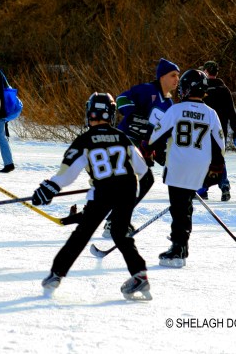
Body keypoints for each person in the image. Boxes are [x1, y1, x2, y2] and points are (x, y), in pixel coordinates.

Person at [33, 93, 152, 300]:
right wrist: (126, 189)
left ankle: (56, 274)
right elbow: (144, 173)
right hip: (127, 188)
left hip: (103, 191)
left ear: (89, 113)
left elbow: (68, 173)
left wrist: (50, 187)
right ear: (112, 114)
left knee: (83, 233)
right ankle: (139, 274)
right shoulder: (124, 138)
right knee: (120, 232)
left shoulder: (84, 140)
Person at [146, 69, 225, 268]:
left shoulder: (175, 110)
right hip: (199, 168)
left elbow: (155, 137)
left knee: (179, 208)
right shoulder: (211, 113)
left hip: (178, 166)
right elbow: (220, 144)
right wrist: (216, 168)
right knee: (184, 206)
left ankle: (178, 248)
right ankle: (181, 245)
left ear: (187, 88)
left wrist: (152, 152)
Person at [100, 57, 180, 237]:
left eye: (178, 76)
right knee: (136, 182)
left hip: (141, 149)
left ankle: (114, 220)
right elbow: (121, 99)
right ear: (161, 77)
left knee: (144, 181)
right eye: (173, 75)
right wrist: (132, 113)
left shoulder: (169, 104)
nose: (177, 79)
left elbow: (163, 133)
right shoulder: (147, 90)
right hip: (125, 141)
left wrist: (160, 152)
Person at [199, 60, 236, 201]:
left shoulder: (201, 89)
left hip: (203, 131)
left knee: (204, 158)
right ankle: (224, 185)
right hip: (220, 131)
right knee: (219, 158)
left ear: (205, 71)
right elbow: (231, 112)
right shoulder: (224, 90)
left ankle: (203, 189)